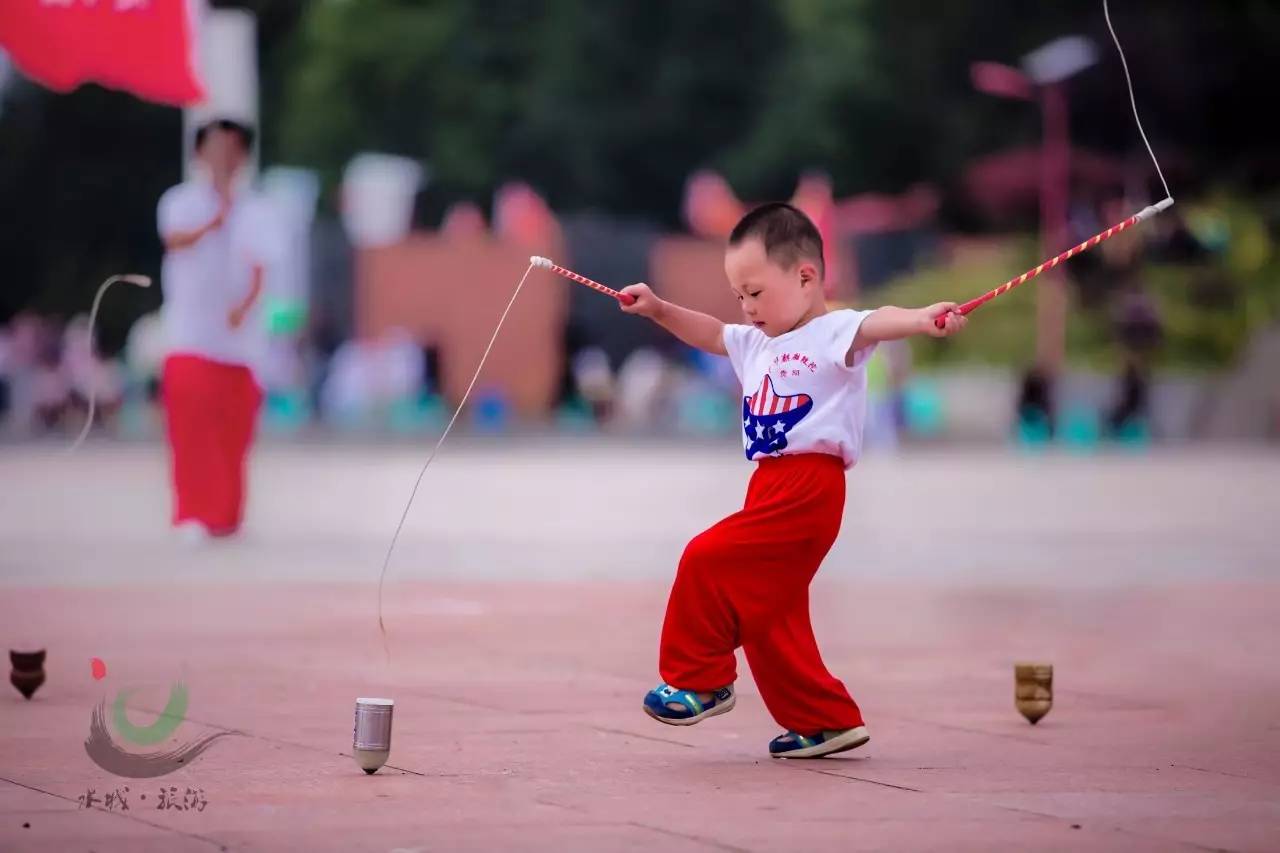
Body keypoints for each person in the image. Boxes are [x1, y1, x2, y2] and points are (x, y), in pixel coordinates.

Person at [619, 202, 966, 758]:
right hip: (768, 485)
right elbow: (710, 332)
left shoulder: (833, 332)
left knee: (706, 558)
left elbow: (878, 319)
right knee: (769, 617)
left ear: (805, 276)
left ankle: (700, 679)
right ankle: (824, 720)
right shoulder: (755, 343)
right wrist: (659, 309)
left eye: (755, 292)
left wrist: (922, 317)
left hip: (810, 489)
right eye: (739, 295)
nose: (746, 307)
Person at [156, 118, 276, 541]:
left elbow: (261, 268)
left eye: (233, 148)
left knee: (232, 435)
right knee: (191, 432)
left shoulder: (259, 210)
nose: (224, 157)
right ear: (199, 154)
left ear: (243, 156)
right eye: (215, 147)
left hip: (239, 345)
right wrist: (215, 220)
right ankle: (192, 513)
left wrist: (244, 308)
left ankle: (225, 515)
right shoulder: (180, 202)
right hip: (190, 336)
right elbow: (175, 241)